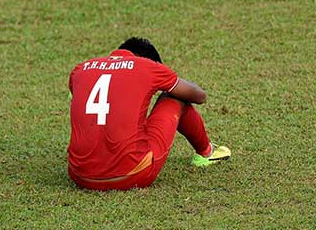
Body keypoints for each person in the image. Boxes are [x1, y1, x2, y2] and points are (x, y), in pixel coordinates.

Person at [67, 37, 231, 191]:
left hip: (79, 176)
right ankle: (206, 152)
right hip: (132, 174)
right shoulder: (148, 67)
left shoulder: (81, 69)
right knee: (175, 96)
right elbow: (199, 96)